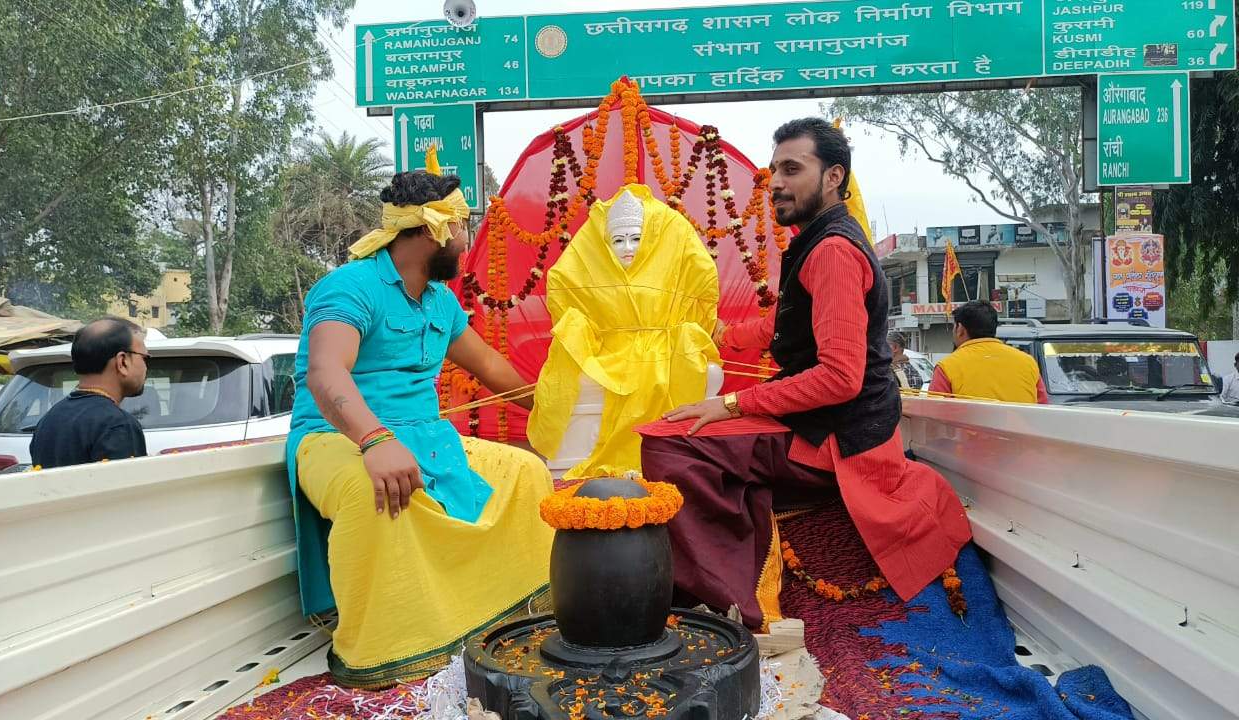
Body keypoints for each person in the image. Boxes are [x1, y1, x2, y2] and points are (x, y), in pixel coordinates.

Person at [637, 118, 971, 630]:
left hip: (836, 438)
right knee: (683, 430)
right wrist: (720, 335)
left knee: (670, 442)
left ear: (834, 176)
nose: (776, 182)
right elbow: (784, 322)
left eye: (792, 169)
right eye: (774, 170)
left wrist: (729, 404)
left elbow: (840, 378)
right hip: (824, 422)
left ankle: (739, 608)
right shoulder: (820, 242)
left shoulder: (833, 250)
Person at [286, 170, 555, 688]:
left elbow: (492, 367)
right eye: (462, 226)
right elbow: (325, 373)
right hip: (335, 435)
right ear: (433, 229)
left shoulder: (440, 301)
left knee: (525, 473)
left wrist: (562, 406)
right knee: (377, 492)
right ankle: (391, 649)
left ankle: (489, 618)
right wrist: (376, 440)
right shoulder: (350, 286)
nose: (467, 239)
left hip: (425, 435)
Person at [528, 185, 720, 479]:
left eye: (636, 239)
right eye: (618, 240)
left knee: (691, 366)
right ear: (605, 243)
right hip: (607, 351)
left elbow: (703, 283)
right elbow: (562, 285)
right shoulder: (591, 261)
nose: (628, 248)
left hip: (663, 348)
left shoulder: (674, 244)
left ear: (653, 239)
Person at [30, 317, 149, 469]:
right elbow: (127, 490)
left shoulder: (49, 420)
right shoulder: (117, 425)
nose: (146, 367)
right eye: (145, 358)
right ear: (122, 362)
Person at [930, 300, 1048, 403]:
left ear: (960, 329)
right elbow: (1043, 410)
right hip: (1020, 429)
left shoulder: (947, 367)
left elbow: (933, 418)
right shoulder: (1028, 363)